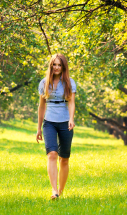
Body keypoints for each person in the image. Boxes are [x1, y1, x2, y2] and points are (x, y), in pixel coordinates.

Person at [36, 53, 76, 200]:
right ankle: (54, 191)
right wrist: (39, 128)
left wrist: (71, 119)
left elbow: (71, 103)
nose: (57, 67)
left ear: (63, 66)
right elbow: (41, 107)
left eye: (60, 65)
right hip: (49, 122)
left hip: (66, 122)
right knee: (52, 154)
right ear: (51, 66)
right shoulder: (44, 83)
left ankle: (61, 190)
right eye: (54, 64)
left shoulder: (70, 83)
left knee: (64, 158)